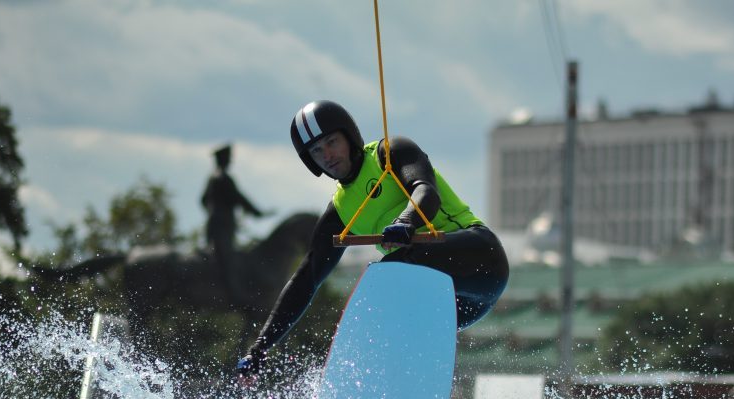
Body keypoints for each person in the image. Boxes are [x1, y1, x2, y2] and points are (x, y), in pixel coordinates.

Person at [236, 100, 509, 378]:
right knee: (393, 328)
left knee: (388, 270)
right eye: (317, 151)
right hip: (451, 307)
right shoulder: (340, 211)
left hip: (481, 261)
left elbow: (426, 192)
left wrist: (406, 222)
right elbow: (306, 279)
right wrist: (260, 347)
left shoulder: (390, 154)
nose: (327, 155)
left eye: (332, 142)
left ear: (349, 136)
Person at [200, 144, 267, 301]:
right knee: (227, 259)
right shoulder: (223, 178)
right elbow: (239, 198)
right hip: (222, 227)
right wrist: (256, 212)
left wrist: (213, 213)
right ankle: (235, 293)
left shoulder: (213, 178)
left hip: (217, 226)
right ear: (223, 160)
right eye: (228, 158)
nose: (230, 161)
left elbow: (203, 200)